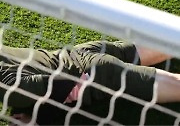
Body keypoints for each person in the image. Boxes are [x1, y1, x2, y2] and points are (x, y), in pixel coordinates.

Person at [0, 40, 179, 125]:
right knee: (171, 39)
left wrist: (37, 121)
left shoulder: (11, 90)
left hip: (99, 74)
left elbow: (65, 84)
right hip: (81, 52)